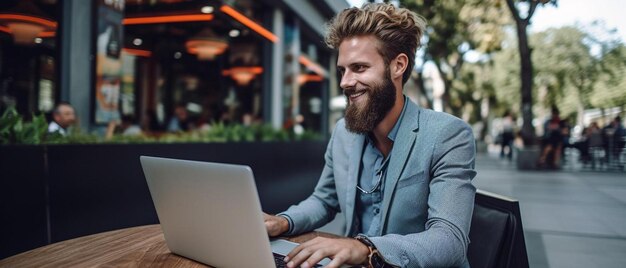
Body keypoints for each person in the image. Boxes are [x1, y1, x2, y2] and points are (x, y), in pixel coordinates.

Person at [263, 3, 477, 268]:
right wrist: (282, 221)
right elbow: (324, 201)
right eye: (343, 70)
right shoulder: (343, 132)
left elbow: (449, 240)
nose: (345, 82)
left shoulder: (448, 135)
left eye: (359, 68)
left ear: (398, 66)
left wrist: (366, 249)